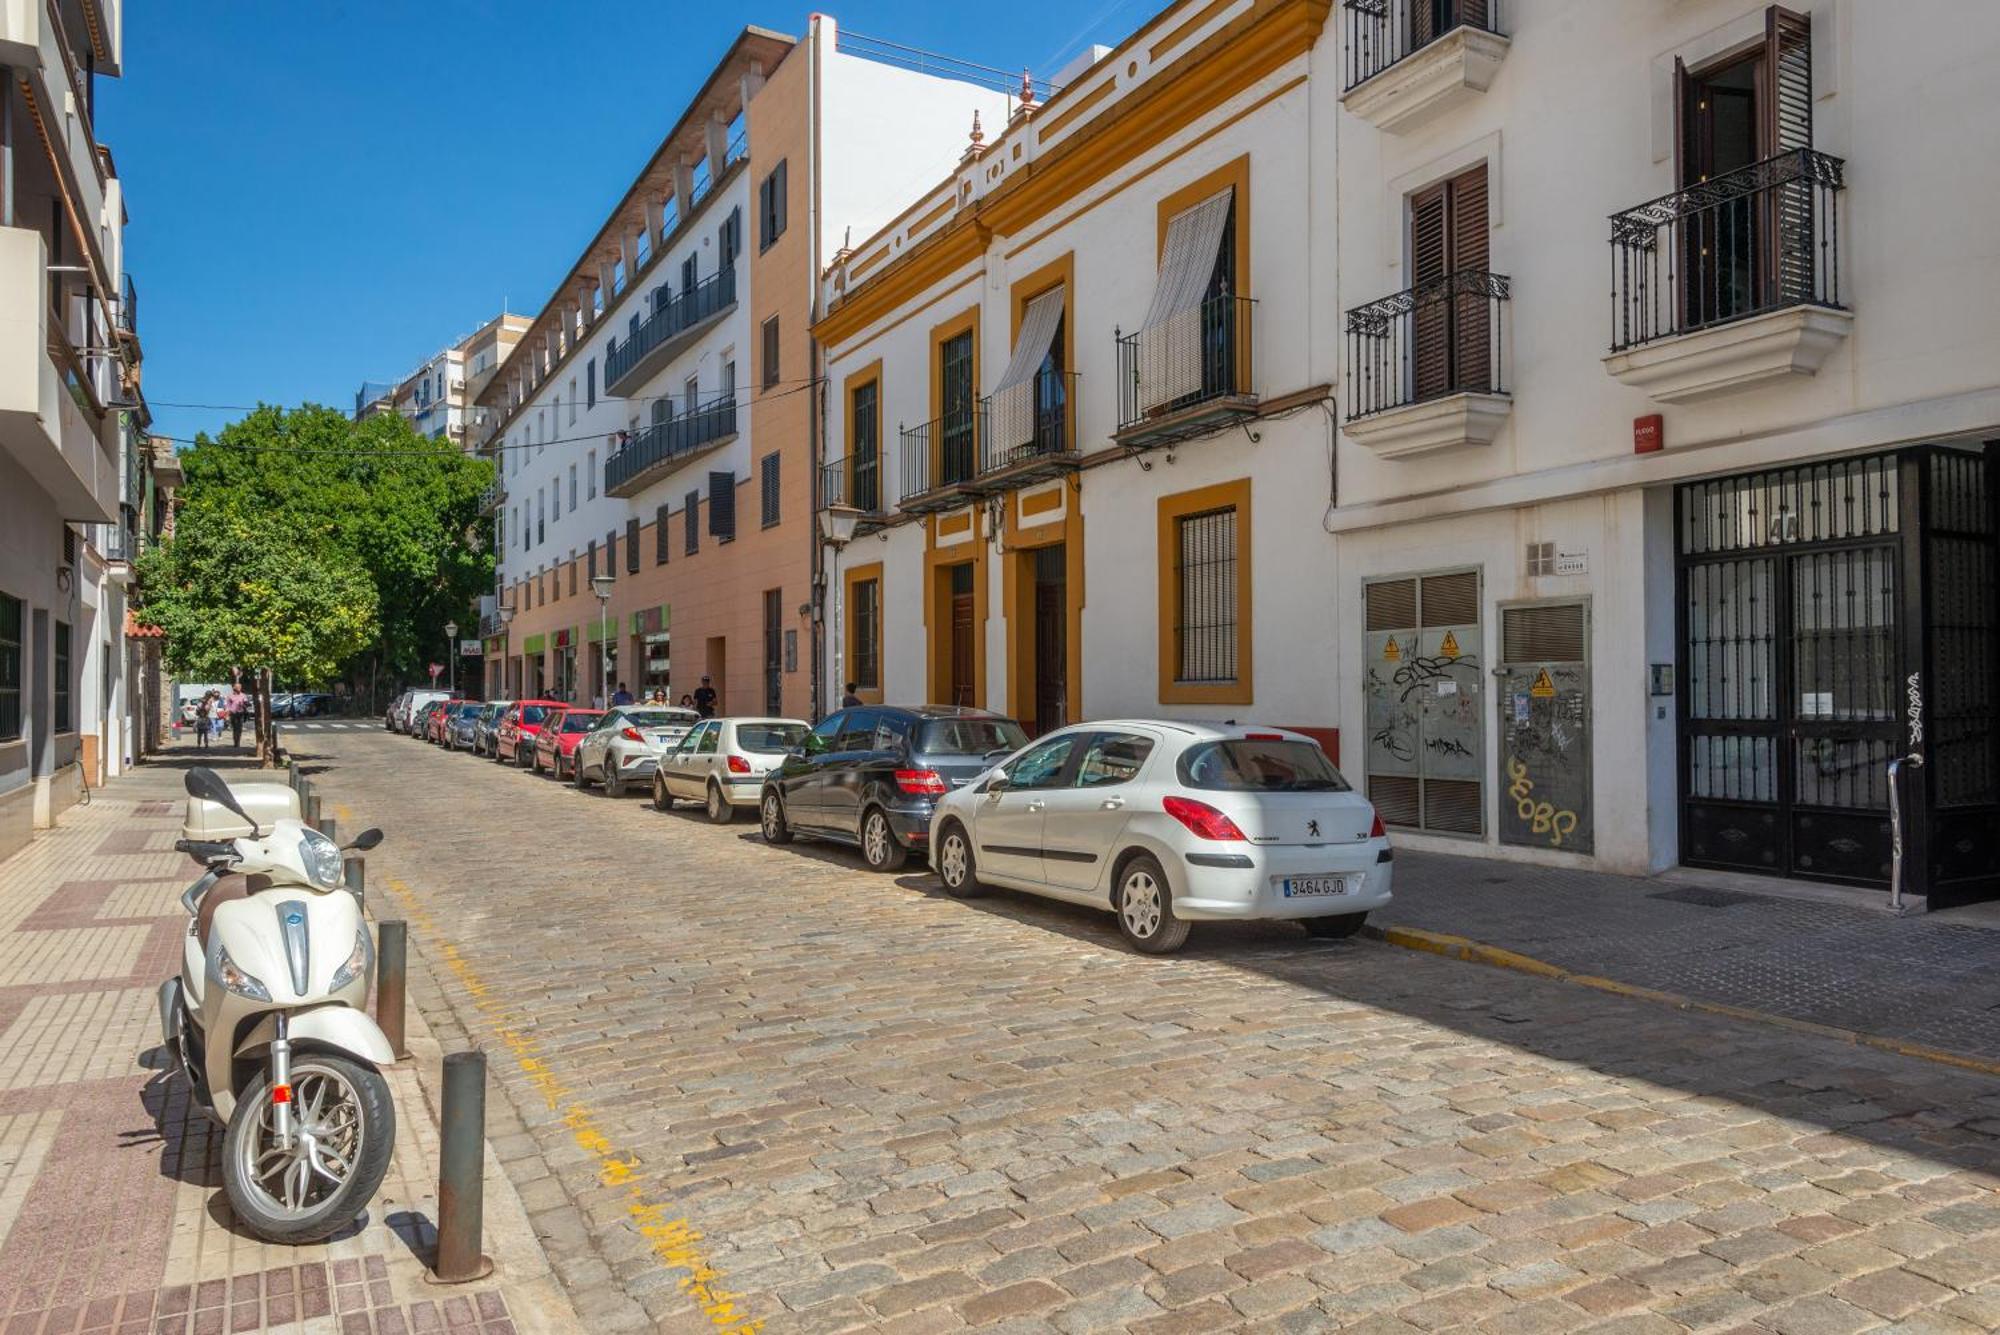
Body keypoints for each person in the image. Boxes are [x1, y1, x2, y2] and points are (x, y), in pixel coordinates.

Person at [225, 683, 249, 748]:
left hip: (241, 713)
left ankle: (238, 742)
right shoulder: (230, 696)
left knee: (240, 728)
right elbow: (227, 706)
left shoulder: (243, 695)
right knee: (235, 728)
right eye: (238, 687)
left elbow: (246, 704)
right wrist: (227, 714)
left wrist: (244, 704)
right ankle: (235, 742)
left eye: (240, 687)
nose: (239, 688)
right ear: (234, 688)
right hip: (233, 714)